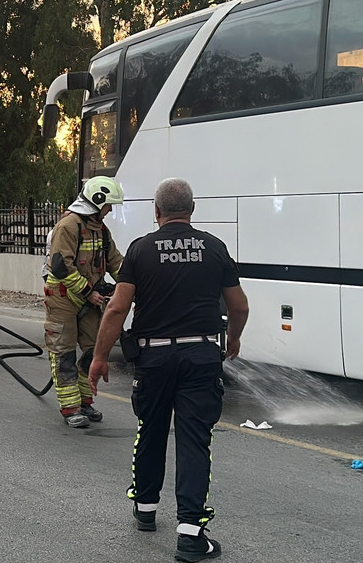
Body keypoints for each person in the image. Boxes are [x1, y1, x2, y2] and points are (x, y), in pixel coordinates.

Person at [88, 177, 249, 562]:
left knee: (152, 428)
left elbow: (116, 308)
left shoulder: (141, 251)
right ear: (191, 210)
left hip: (154, 358)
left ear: (156, 212)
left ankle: (145, 508)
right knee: (194, 438)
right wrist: (235, 338)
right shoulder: (214, 247)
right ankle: (192, 534)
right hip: (201, 357)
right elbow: (239, 305)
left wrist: (98, 357)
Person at [43, 175, 125, 428]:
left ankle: (85, 401)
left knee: (93, 349)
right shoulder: (68, 226)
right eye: (108, 205)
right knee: (64, 352)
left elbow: (116, 262)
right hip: (64, 299)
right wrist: (88, 292)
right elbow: (60, 265)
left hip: (89, 299)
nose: (110, 211)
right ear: (96, 201)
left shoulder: (101, 230)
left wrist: (131, 284)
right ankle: (70, 407)